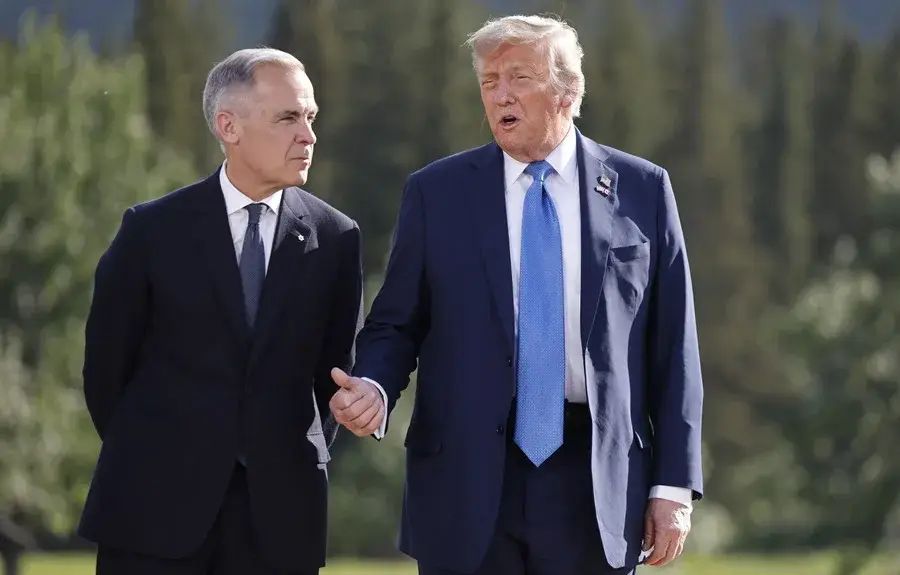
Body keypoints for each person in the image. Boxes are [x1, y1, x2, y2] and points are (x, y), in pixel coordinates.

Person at [329, 14, 704, 575]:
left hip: (596, 480)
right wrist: (375, 388)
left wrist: (673, 484)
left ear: (568, 90)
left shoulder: (643, 189)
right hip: (466, 477)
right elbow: (397, 323)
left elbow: (673, 346)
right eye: (489, 81)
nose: (500, 95)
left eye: (519, 78)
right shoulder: (436, 192)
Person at [78, 47, 363, 575]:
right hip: (151, 516)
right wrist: (157, 457)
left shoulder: (336, 237)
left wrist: (278, 458)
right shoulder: (150, 232)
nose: (308, 135)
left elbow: (333, 376)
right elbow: (106, 374)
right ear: (228, 126)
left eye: (310, 117)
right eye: (288, 118)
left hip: (280, 524)